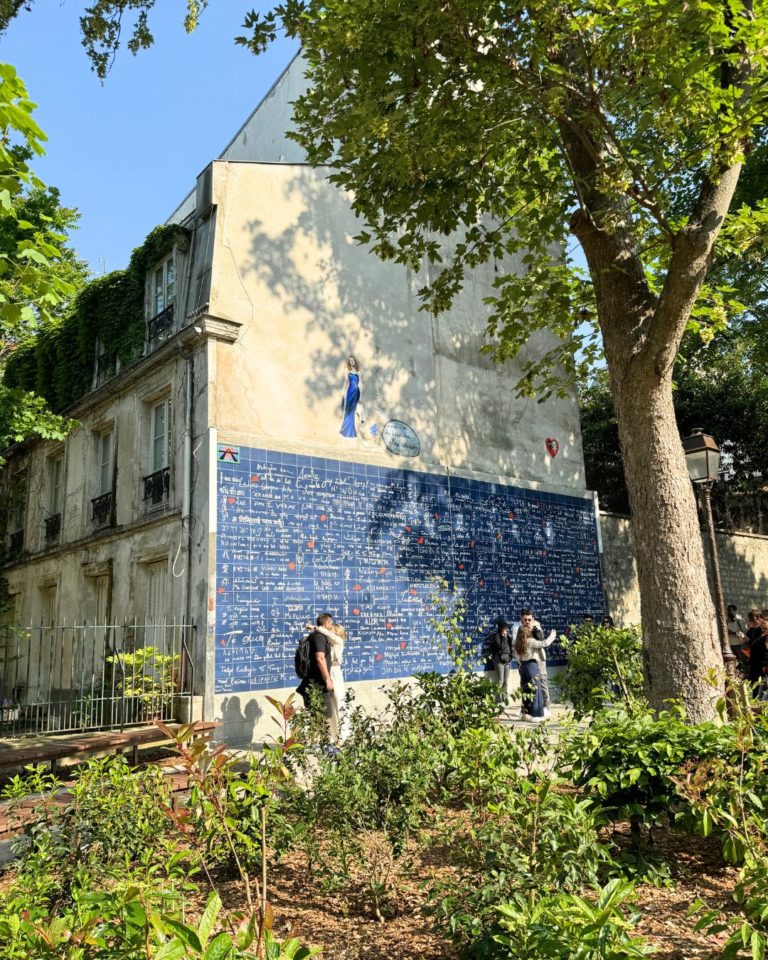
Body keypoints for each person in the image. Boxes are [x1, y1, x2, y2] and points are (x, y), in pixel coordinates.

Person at [306, 619, 352, 743]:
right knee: (330, 705)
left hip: (335, 672)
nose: (330, 630)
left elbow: (328, 634)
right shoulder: (328, 642)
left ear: (338, 632)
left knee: (339, 702)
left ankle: (344, 735)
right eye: (330, 628)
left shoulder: (338, 640)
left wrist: (315, 627)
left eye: (333, 629)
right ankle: (334, 736)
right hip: (327, 671)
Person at [297, 613, 335, 732]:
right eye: (331, 623)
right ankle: (320, 744)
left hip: (314, 681)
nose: (332, 626)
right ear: (326, 623)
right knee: (322, 713)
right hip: (318, 683)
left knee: (318, 714)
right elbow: (320, 658)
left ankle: (318, 742)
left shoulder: (315, 635)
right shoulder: (319, 637)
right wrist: (327, 679)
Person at [513, 621, 556, 722]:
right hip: (531, 666)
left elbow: (517, 658)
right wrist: (552, 636)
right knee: (536, 691)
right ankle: (536, 715)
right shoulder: (530, 641)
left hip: (522, 667)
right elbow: (544, 643)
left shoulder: (517, 643)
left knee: (526, 691)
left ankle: (525, 713)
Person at [520, 608, 554, 718]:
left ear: (533, 619)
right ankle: (533, 713)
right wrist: (552, 637)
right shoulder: (522, 633)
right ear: (521, 619)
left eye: (529, 620)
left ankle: (542, 707)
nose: (527, 622)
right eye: (525, 620)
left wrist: (535, 628)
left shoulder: (535, 627)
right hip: (529, 663)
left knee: (539, 684)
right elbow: (544, 642)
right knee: (532, 688)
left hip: (533, 661)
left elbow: (540, 638)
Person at [487, 618, 514, 704]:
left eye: (506, 628)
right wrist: (504, 637)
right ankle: (499, 700)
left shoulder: (508, 637)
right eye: (504, 628)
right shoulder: (496, 636)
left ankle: (505, 699)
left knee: (506, 681)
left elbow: (511, 648)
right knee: (500, 680)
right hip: (498, 659)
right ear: (501, 628)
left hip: (507, 659)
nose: (506, 629)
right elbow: (500, 647)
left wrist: (511, 657)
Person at [339, 355, 365, 438]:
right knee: (348, 409)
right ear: (349, 362)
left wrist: (360, 395)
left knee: (354, 410)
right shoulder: (347, 370)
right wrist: (343, 392)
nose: (352, 362)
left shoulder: (358, 372)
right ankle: (345, 430)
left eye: (353, 360)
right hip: (350, 391)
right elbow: (346, 382)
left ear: (355, 361)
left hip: (356, 392)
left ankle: (352, 430)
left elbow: (360, 383)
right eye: (350, 361)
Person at [747, 609, 768, 700]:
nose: (763, 622)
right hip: (754, 665)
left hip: (764, 667)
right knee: (755, 689)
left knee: (763, 692)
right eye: (761, 619)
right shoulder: (755, 631)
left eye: (766, 620)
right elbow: (749, 642)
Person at [727, 604, 749, 678]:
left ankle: (744, 676)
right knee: (733, 662)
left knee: (742, 661)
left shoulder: (740, 620)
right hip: (731, 645)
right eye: (728, 611)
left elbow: (745, 631)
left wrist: (735, 633)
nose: (729, 612)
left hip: (740, 644)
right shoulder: (727, 621)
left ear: (735, 611)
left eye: (731, 611)